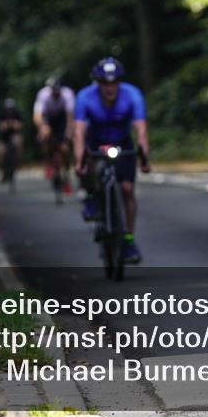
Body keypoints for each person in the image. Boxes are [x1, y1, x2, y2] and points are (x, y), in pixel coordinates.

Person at [73, 57, 151, 264]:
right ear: (97, 83)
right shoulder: (84, 97)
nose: (109, 87)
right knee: (86, 166)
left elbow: (141, 130)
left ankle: (128, 239)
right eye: (104, 83)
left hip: (121, 143)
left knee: (126, 190)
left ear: (119, 82)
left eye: (114, 82)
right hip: (95, 142)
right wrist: (78, 161)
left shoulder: (132, 94)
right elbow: (79, 133)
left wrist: (144, 157)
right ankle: (90, 196)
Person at [33, 76, 76, 188]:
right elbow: (37, 115)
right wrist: (42, 127)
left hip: (62, 119)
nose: (55, 93)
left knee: (65, 148)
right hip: (48, 118)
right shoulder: (43, 94)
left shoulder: (67, 94)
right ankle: (48, 161)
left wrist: (69, 131)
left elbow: (70, 116)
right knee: (45, 137)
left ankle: (66, 175)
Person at [0, 98, 23, 180]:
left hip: (14, 136)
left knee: (18, 141)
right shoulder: (2, 115)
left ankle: (18, 161)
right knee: (0, 151)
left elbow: (20, 126)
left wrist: (11, 125)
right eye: (8, 109)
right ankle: (2, 170)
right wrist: (8, 125)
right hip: (4, 139)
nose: (9, 111)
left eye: (11, 109)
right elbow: (1, 127)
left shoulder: (17, 114)